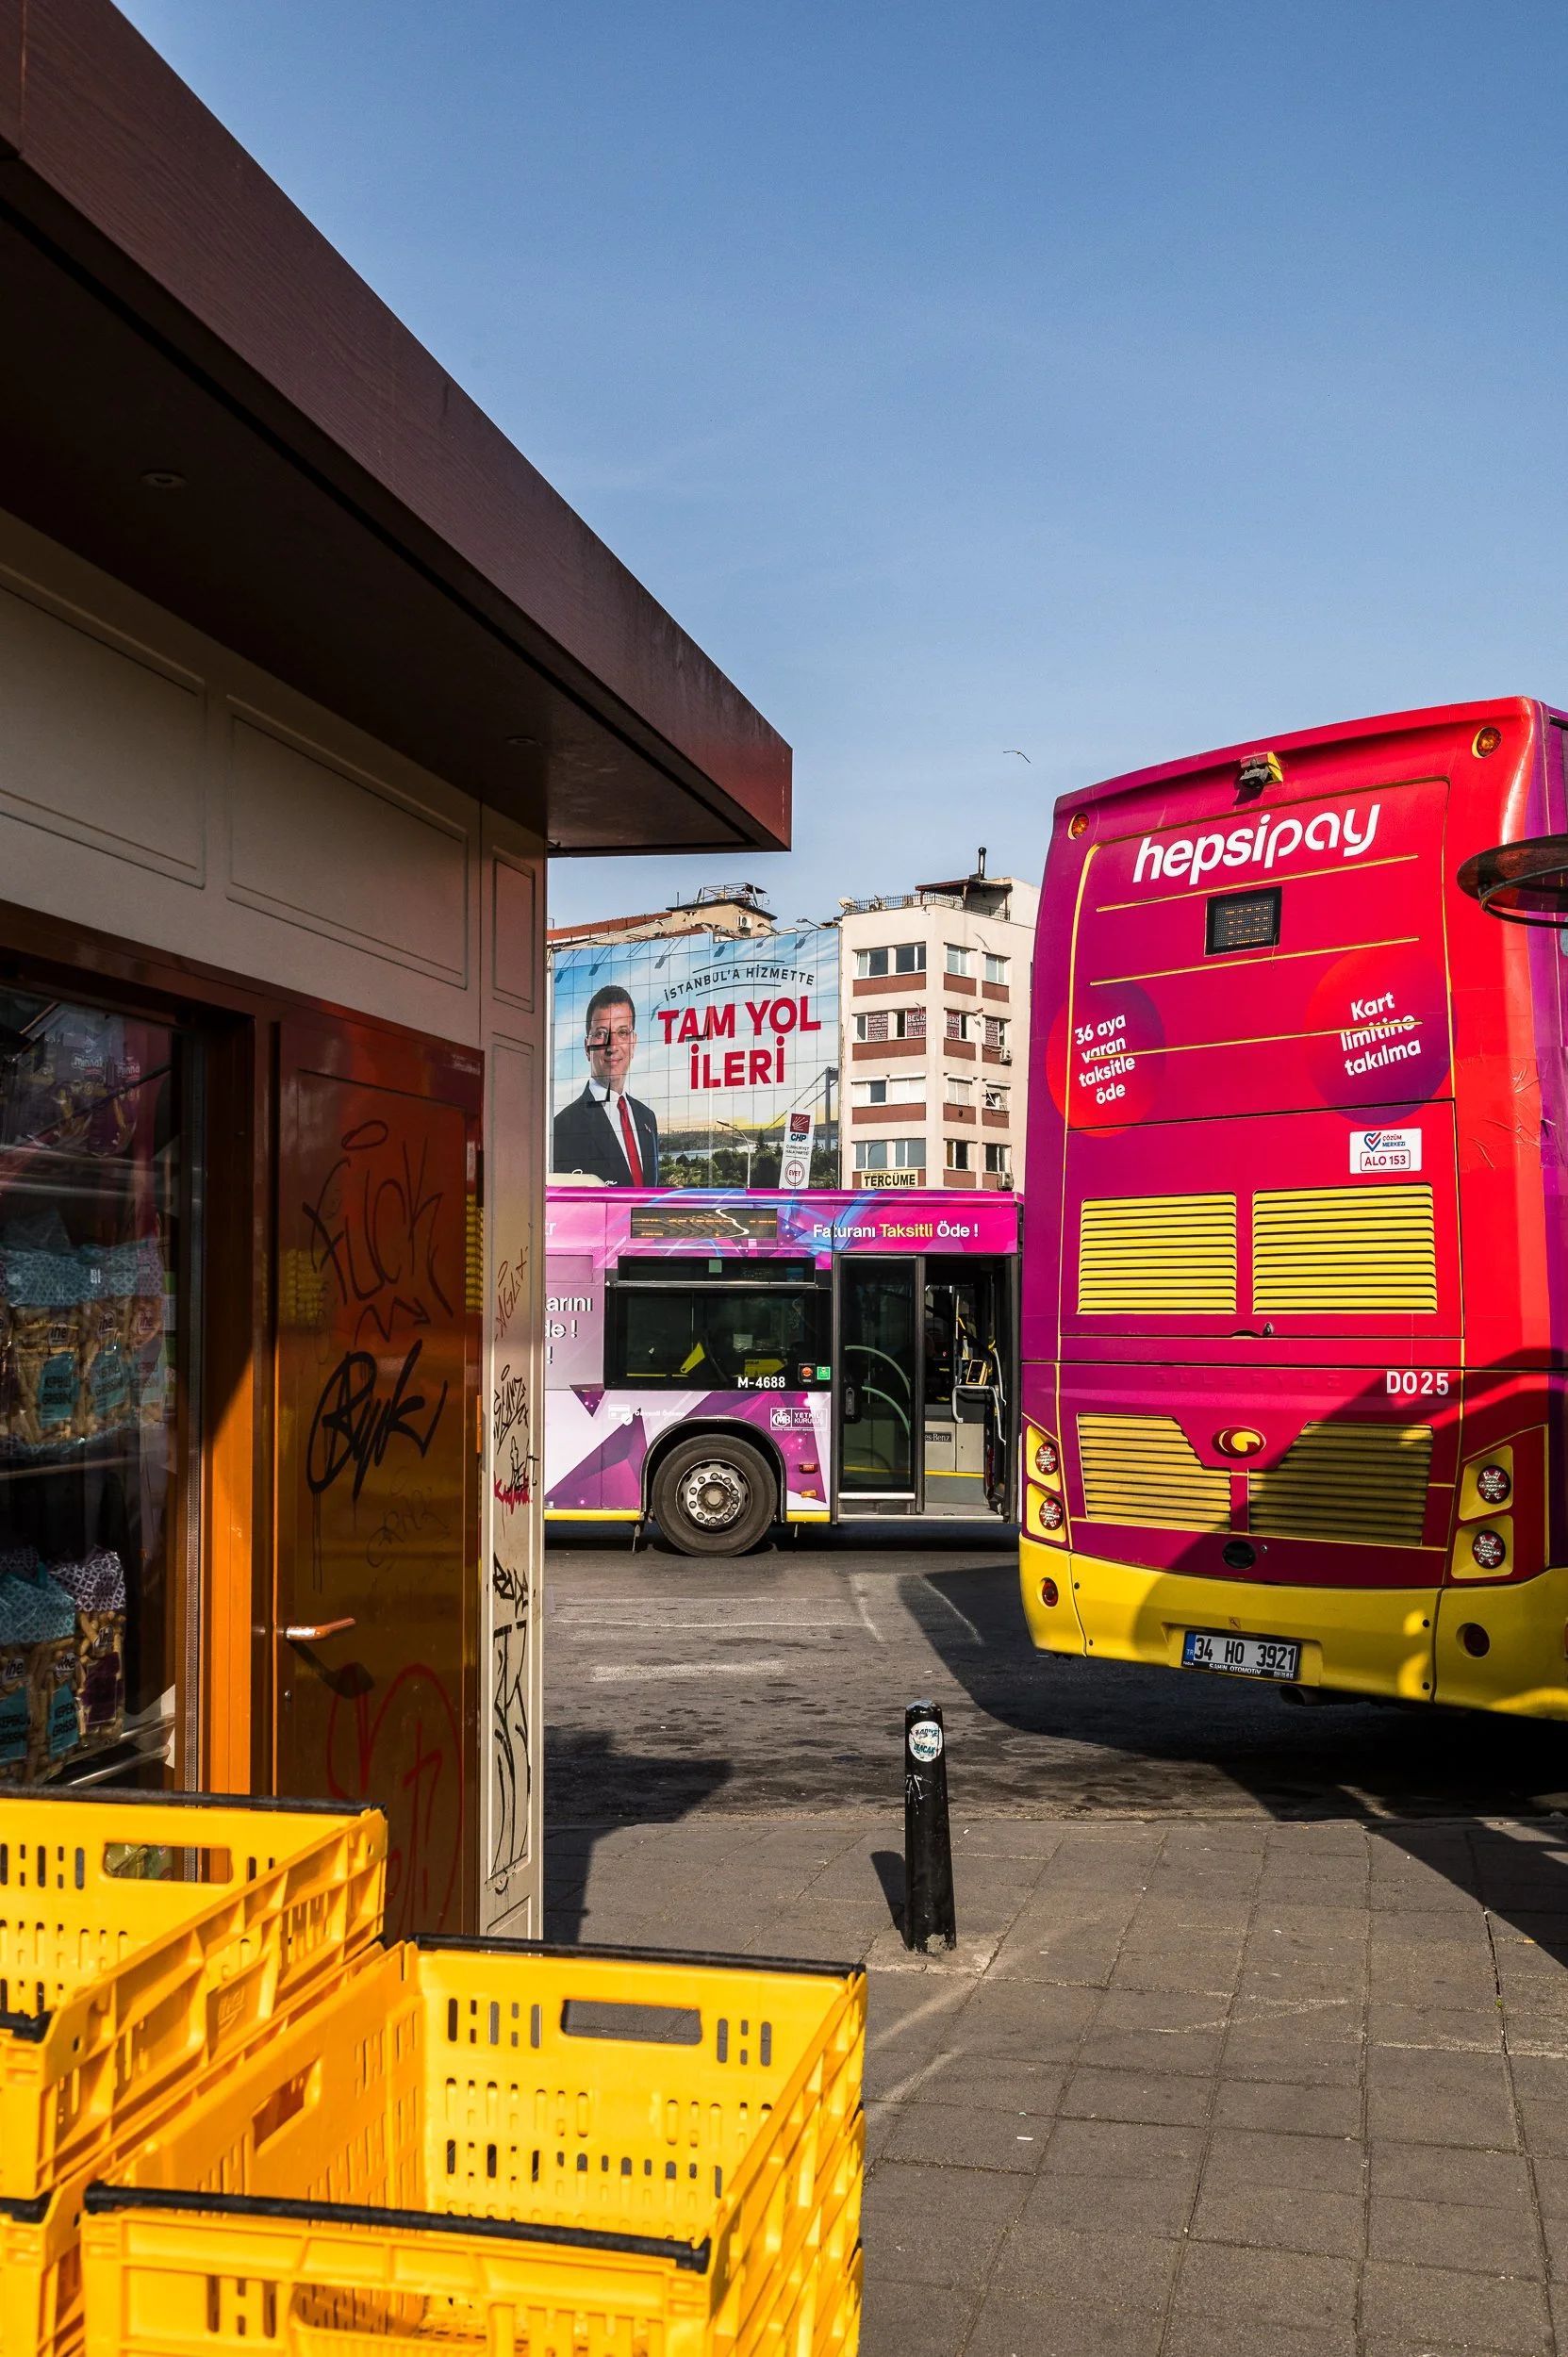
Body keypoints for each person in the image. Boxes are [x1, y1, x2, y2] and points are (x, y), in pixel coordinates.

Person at [552, 984, 661, 1186]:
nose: (612, 1046)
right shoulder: (562, 1127)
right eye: (601, 1034)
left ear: (633, 1043)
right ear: (587, 1048)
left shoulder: (647, 1118)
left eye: (622, 1033)